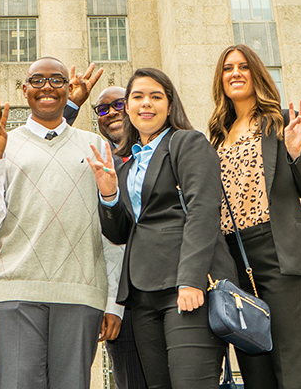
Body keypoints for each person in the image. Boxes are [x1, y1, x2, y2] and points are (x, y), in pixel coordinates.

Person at [0, 57, 121, 389]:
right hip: (17, 287)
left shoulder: (95, 145)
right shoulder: (1, 144)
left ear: (69, 90)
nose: (47, 88)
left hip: (81, 289)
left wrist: (114, 302)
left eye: (56, 80)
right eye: (37, 80)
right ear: (24, 89)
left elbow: (111, 231)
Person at [89, 68, 235, 389]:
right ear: (127, 107)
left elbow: (203, 212)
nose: (146, 104)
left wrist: (191, 281)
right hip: (142, 295)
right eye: (137, 97)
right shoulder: (128, 164)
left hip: (186, 288)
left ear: (170, 106)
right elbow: (119, 233)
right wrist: (110, 194)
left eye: (156, 97)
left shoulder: (187, 143)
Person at [209, 44, 301, 389]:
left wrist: (294, 152)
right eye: (228, 68)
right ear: (221, 80)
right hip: (235, 260)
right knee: (255, 371)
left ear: (257, 73)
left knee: (292, 367)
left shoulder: (284, 123)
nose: (235, 73)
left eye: (243, 67)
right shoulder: (215, 136)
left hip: (281, 254)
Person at [90, 86, 147, 389]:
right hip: (124, 302)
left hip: (169, 293)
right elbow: (108, 243)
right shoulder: (99, 164)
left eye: (118, 104)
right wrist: (112, 305)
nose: (111, 112)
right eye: (101, 109)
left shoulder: (161, 152)